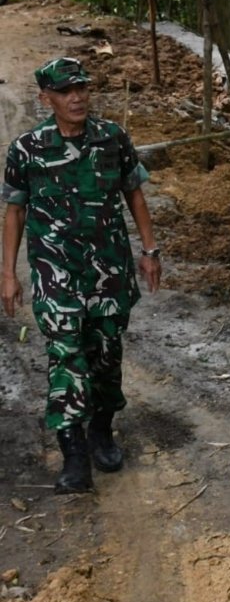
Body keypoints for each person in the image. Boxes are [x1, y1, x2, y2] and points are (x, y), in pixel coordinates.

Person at [1, 57, 162, 494]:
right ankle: (73, 453)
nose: (77, 98)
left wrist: (149, 251)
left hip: (109, 270)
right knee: (67, 358)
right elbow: (14, 212)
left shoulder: (112, 138)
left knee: (107, 355)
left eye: (82, 89)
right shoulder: (28, 149)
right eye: (66, 91)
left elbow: (134, 194)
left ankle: (102, 429)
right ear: (45, 98)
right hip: (56, 275)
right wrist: (8, 274)